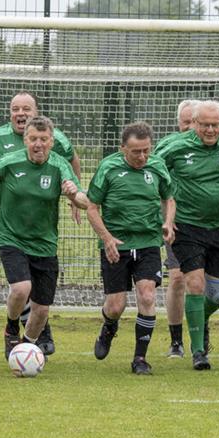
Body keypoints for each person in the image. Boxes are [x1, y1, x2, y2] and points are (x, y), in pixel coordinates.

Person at [0, 91, 82, 356]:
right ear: (25, 140)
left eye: (43, 140)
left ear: (51, 141)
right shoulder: (4, 154)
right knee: (22, 287)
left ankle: (28, 348)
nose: (38, 144)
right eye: (15, 109)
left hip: (44, 238)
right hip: (9, 230)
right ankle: (11, 327)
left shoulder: (58, 161)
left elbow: (80, 190)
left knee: (41, 307)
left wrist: (74, 195)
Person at [154, 100, 219, 369]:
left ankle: (198, 318)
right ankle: (199, 352)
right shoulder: (175, 146)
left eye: (215, 125)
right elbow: (153, 170)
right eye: (204, 125)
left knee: (217, 295)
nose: (210, 130)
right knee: (194, 284)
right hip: (186, 226)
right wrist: (166, 214)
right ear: (194, 124)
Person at [86, 121, 175, 375]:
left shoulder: (157, 166)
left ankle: (140, 358)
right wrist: (107, 238)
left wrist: (168, 222)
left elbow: (169, 198)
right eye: (136, 151)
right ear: (123, 148)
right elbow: (92, 206)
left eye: (146, 150)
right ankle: (109, 326)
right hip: (116, 244)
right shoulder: (108, 167)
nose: (142, 156)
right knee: (116, 306)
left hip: (148, 242)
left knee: (147, 295)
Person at [159, 99, 197, 357]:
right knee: (176, 278)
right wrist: (167, 219)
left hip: (207, 224)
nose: (190, 127)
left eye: (194, 122)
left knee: (203, 285)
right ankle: (176, 341)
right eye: (186, 122)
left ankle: (200, 333)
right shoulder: (168, 147)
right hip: (176, 222)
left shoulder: (216, 147)